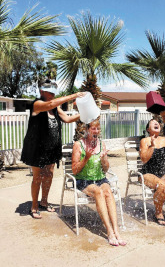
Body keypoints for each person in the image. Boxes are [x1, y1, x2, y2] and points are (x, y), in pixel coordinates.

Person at [21, 79, 85, 219]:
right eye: (50, 92)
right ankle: (34, 206)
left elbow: (67, 119)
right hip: (36, 148)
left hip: (51, 148)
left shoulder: (55, 108)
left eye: (53, 92)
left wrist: (85, 114)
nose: (53, 95)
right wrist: (74, 95)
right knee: (37, 177)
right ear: (42, 91)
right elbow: (49, 104)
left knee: (49, 174)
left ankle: (44, 201)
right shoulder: (37, 104)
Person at [72, 119, 126, 246]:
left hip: (101, 178)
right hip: (84, 180)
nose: (96, 131)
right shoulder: (78, 145)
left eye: (98, 129)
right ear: (87, 130)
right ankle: (109, 231)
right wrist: (86, 158)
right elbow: (74, 170)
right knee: (98, 192)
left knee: (108, 191)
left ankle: (116, 231)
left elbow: (106, 169)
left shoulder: (102, 144)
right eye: (93, 129)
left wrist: (103, 160)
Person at [139, 119, 165, 225]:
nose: (156, 123)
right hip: (147, 173)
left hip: (162, 172)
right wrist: (151, 146)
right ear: (148, 129)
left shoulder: (164, 140)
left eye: (158, 122)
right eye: (153, 122)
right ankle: (158, 213)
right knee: (162, 185)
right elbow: (144, 159)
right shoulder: (145, 141)